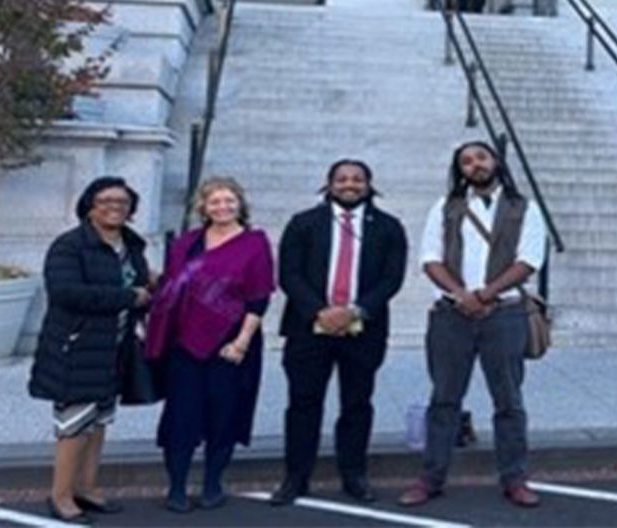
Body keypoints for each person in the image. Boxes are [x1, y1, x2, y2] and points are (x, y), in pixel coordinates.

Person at [398, 141, 546, 508]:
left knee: (509, 400)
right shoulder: (445, 208)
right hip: (452, 316)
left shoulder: (524, 208)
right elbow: (430, 259)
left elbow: (528, 261)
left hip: (505, 314)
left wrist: (485, 295)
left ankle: (515, 478)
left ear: (495, 161)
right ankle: (431, 478)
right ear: (459, 170)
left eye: (480, 157)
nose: (474, 165)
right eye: (465, 161)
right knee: (444, 399)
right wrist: (461, 294)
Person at [270, 160, 408, 506]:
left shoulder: (389, 227)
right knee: (303, 403)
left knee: (357, 404)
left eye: (357, 179)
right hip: (308, 329)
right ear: (329, 184)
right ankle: (296, 477)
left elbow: (391, 279)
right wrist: (321, 312)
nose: (350, 185)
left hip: (364, 330)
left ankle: (354, 475)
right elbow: (289, 274)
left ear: (369, 184)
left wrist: (354, 312)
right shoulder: (303, 223)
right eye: (342, 179)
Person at [146, 177, 275, 513]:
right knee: (181, 416)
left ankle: (212, 484)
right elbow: (171, 291)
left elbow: (259, 298)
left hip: (232, 344)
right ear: (202, 207)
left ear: (240, 204)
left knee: (224, 414)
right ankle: (176, 487)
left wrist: (242, 342)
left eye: (229, 201)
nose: (223, 207)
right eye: (215, 201)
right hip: (184, 344)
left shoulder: (255, 243)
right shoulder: (186, 244)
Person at [28, 176, 152, 524]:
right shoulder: (70, 245)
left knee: (98, 422)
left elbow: (137, 283)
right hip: (78, 346)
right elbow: (67, 292)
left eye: (123, 202)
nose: (115, 207)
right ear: (89, 206)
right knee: (73, 425)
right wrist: (129, 297)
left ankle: (87, 487)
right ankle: (62, 495)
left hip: (115, 347)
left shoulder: (131, 245)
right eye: (106, 201)